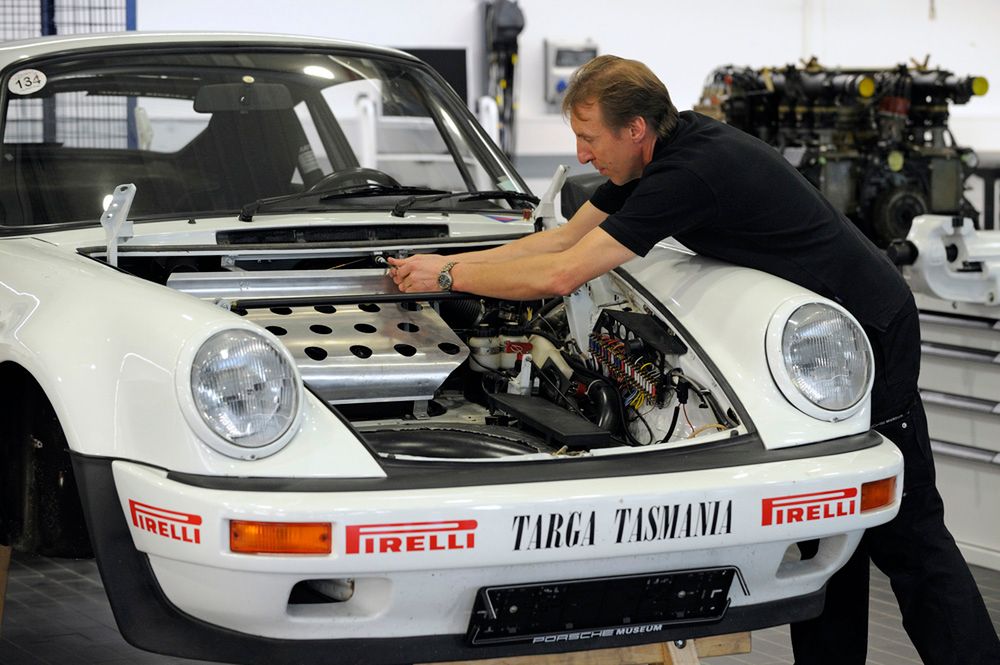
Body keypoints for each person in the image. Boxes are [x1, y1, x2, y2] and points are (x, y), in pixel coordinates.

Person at [388, 55, 1000, 664]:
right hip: (822, 344)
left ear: (635, 129)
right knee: (829, 534)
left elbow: (562, 273)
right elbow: (564, 236)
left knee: (910, 537)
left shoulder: (691, 172)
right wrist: (459, 262)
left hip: (865, 332)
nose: (579, 156)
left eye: (588, 138)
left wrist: (447, 275)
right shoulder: (656, 154)